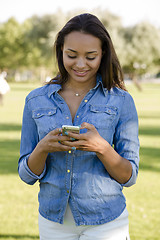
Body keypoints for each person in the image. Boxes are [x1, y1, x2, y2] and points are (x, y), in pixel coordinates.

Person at [18, 13, 139, 240]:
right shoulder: (35, 100)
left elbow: (129, 176)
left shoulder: (121, 101)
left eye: (91, 57)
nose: (81, 64)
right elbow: (26, 175)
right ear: (60, 51)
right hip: (53, 222)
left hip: (106, 222)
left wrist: (102, 148)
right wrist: (42, 148)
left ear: (103, 54)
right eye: (71, 55)